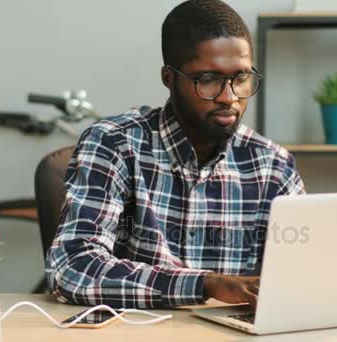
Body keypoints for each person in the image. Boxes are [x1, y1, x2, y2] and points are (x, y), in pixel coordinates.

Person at [46, 0, 305, 309]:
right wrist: (205, 284)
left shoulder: (273, 166)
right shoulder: (114, 144)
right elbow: (71, 268)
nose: (229, 96)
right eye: (207, 79)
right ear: (169, 78)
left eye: (241, 77)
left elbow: (302, 277)